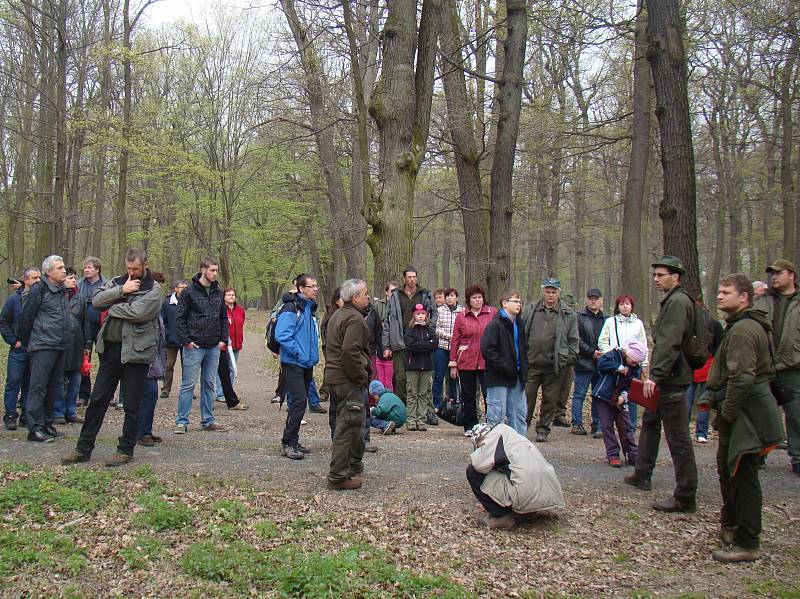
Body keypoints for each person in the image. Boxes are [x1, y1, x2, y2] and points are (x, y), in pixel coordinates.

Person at [701, 273, 783, 562]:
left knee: (743, 474)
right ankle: (734, 526)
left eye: (726, 292)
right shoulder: (739, 326)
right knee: (730, 469)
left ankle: (748, 541)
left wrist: (728, 412)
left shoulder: (744, 330)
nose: (720, 296)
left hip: (746, 412)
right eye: (719, 291)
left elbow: (742, 377)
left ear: (744, 297)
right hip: (743, 409)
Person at [61, 248, 162, 466]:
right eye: (128, 268)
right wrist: (121, 291)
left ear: (145, 264)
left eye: (135, 268)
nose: (132, 272)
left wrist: (113, 308)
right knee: (97, 400)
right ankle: (83, 447)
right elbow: (97, 302)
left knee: (132, 405)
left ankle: (125, 450)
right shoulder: (118, 282)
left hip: (137, 354)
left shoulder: (153, 289)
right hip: (111, 350)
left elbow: (139, 314)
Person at [625, 256, 698, 513]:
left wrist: (654, 376)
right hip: (666, 377)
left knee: (677, 437)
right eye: (655, 275)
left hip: (672, 380)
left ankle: (686, 495)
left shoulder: (678, 302)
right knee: (651, 424)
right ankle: (642, 474)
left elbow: (670, 342)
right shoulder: (672, 300)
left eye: (661, 274)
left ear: (675, 277)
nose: (656, 279)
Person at [466, 423, 565, 529]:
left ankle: (502, 517)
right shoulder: (514, 436)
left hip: (527, 493)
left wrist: (481, 449)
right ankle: (527, 511)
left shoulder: (494, 438)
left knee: (472, 471)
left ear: (482, 437)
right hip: (551, 494)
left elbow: (479, 465)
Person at [16, 255, 71, 443]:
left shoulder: (63, 291)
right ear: (49, 272)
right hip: (43, 345)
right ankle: (35, 428)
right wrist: (28, 341)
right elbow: (25, 318)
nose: (64, 270)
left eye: (64, 267)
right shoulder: (38, 290)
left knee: (54, 387)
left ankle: (47, 423)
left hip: (60, 345)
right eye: (59, 267)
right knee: (38, 387)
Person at [754, 259, 800, 477]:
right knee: (761, 412)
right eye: (771, 274)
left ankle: (798, 457)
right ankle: (758, 454)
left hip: (793, 366)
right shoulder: (763, 301)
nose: (774, 277)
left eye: (778, 273)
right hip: (765, 366)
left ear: (791, 275)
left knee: (796, 415)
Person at [324, 278, 371, 489]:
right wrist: (360, 376)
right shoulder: (354, 319)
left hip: (336, 378)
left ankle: (352, 465)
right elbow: (349, 351)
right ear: (355, 297)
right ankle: (338, 476)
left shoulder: (339, 315)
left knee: (353, 425)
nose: (368, 297)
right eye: (365, 294)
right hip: (347, 380)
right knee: (347, 426)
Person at [173, 257, 228, 434]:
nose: (215, 273)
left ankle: (208, 420)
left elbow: (223, 319)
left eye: (216, 270)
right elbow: (179, 318)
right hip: (194, 346)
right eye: (212, 270)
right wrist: (186, 341)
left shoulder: (219, 293)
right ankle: (182, 421)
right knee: (188, 384)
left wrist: (223, 340)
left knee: (209, 383)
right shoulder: (189, 292)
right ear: (203, 269)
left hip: (213, 346)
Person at [520, 278, 579, 443]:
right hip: (532, 363)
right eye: (548, 291)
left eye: (553, 292)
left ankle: (543, 429)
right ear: (543, 291)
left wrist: (568, 359)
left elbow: (574, 339)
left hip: (554, 365)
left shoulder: (568, 313)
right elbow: (523, 332)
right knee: (526, 397)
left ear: (559, 293)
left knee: (550, 400)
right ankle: (522, 427)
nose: (550, 295)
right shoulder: (531, 310)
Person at [276, 273, 320, 459]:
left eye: (316, 286)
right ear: (301, 288)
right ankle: (288, 442)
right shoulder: (290, 308)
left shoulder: (308, 308)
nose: (315, 289)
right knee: (300, 401)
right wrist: (299, 354)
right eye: (312, 287)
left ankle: (292, 439)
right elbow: (282, 335)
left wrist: (310, 357)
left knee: (298, 402)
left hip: (305, 364)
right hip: (293, 363)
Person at [381, 267, 437, 403]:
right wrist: (386, 346)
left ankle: (423, 410)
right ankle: (403, 408)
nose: (412, 280)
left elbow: (434, 313)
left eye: (414, 277)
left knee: (423, 378)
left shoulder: (425, 294)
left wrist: (428, 328)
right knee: (401, 378)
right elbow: (387, 321)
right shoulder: (395, 295)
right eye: (409, 277)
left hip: (420, 342)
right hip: (399, 341)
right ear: (404, 278)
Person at [598, 294, 649, 431]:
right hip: (615, 362)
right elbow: (602, 341)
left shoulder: (638, 324)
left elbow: (643, 345)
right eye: (621, 304)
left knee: (630, 394)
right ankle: (603, 425)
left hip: (634, 363)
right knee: (609, 392)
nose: (624, 307)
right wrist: (612, 354)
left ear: (632, 306)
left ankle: (630, 426)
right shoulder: (610, 321)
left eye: (627, 304)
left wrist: (644, 363)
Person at [591, 342, 647, 467]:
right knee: (607, 426)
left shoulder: (635, 368)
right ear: (629, 354)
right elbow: (600, 364)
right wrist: (619, 368)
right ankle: (613, 455)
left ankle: (633, 454)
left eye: (637, 362)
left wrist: (624, 396)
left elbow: (633, 385)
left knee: (626, 426)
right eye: (634, 360)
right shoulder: (614, 354)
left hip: (620, 398)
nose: (635, 364)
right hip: (603, 395)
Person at [480, 289, 528, 435]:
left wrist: (524, 368)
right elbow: (487, 349)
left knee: (519, 415)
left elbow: (525, 349)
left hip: (517, 377)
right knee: (496, 417)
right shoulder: (495, 325)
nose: (519, 304)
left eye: (520, 302)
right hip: (498, 378)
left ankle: (519, 449)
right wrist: (504, 366)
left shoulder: (519, 325)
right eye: (515, 301)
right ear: (505, 303)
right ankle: (495, 451)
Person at [450, 284, 495, 434]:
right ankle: (470, 425)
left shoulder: (492, 313)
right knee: (468, 395)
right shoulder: (461, 316)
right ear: (469, 300)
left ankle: (492, 423)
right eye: (474, 298)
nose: (477, 300)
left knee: (489, 394)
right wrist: (454, 363)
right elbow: (455, 340)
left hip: (487, 360)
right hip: (466, 360)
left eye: (480, 297)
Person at [1, 267, 40, 430]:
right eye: (34, 278)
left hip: (36, 347)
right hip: (19, 348)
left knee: (30, 383)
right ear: (26, 280)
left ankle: (26, 414)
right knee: (13, 382)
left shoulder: (41, 298)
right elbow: (3, 322)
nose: (38, 281)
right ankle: (10, 414)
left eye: (39, 278)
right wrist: (13, 341)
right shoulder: (13, 300)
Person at [52, 267, 92, 425]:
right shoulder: (55, 297)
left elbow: (85, 322)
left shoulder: (80, 298)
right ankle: (58, 412)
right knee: (59, 381)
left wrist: (87, 343)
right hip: (59, 344)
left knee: (75, 381)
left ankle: (71, 411)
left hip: (77, 345)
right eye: (70, 278)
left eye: (75, 278)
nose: (74, 280)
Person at [138, 271, 168, 447]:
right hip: (143, 355)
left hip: (153, 356)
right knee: (148, 393)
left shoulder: (156, 307)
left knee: (150, 394)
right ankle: (141, 432)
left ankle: (145, 430)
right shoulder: (143, 306)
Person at [685, 310, 723, 443]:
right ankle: (688, 432)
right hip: (691, 368)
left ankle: (701, 432)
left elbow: (719, 348)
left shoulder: (714, 325)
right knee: (688, 402)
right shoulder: (689, 325)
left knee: (703, 401)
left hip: (708, 368)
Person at [571, 288, 605, 436]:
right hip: (584, 362)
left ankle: (597, 424)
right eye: (590, 298)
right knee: (579, 394)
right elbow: (576, 339)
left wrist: (603, 354)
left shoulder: (607, 319)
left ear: (601, 300)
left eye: (596, 298)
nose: (593, 301)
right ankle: (577, 424)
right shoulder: (579, 317)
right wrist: (591, 352)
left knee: (599, 395)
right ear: (586, 300)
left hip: (602, 364)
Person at [403, 304, 438, 431]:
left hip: (427, 366)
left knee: (423, 394)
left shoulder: (430, 329)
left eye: (423, 314)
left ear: (426, 315)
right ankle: (411, 420)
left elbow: (434, 345)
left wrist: (422, 345)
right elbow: (410, 346)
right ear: (414, 315)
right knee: (412, 393)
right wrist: (425, 345)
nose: (421, 316)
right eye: (418, 314)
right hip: (413, 366)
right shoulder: (410, 329)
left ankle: (421, 420)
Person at [77, 256, 106, 405]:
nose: (86, 270)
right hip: (85, 328)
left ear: (97, 269)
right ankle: (84, 394)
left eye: (89, 267)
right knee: (84, 361)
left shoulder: (106, 284)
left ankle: (104, 394)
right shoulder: (79, 285)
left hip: (102, 328)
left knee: (105, 361)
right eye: (85, 267)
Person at [214, 287, 248, 411]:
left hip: (236, 344)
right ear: (224, 297)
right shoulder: (221, 309)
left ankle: (229, 391)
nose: (231, 297)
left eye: (233, 294)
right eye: (228, 295)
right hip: (223, 345)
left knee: (232, 368)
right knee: (222, 369)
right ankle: (220, 393)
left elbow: (241, 324)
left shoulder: (240, 310)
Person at [433, 287, 462, 411]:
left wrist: (457, 339)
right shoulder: (439, 311)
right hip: (442, 348)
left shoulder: (462, 312)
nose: (450, 298)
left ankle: (454, 402)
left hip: (456, 350)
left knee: (454, 377)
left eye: (452, 295)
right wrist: (451, 337)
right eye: (448, 296)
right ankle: (437, 403)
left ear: (456, 297)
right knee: (439, 376)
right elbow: (436, 329)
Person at [160, 280, 188, 398]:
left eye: (186, 287)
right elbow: (163, 320)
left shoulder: (190, 301)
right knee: (169, 366)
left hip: (186, 339)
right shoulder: (167, 302)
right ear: (176, 289)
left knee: (187, 366)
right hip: (171, 340)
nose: (184, 289)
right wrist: (167, 334)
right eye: (182, 287)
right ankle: (166, 389)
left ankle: (187, 391)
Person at [372, 281, 397, 391]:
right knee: (382, 378)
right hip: (381, 342)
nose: (393, 293)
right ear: (386, 292)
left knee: (394, 377)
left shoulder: (399, 304)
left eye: (396, 291)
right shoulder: (378, 305)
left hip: (395, 343)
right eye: (392, 291)